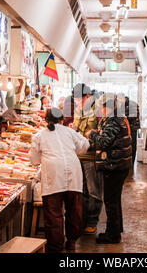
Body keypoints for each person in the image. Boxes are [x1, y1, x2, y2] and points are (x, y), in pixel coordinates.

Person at [30, 108, 90, 253]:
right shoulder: (69, 132)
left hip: (53, 174)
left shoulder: (39, 135)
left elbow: (34, 160)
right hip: (73, 171)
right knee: (74, 210)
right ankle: (71, 242)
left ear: (46, 121)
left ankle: (55, 247)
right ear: (62, 120)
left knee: (53, 213)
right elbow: (85, 145)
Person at [86, 93, 132, 244]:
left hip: (115, 165)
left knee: (111, 200)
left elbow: (104, 141)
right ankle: (115, 230)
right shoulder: (119, 117)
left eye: (102, 106)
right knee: (114, 199)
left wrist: (92, 134)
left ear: (109, 107)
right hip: (120, 164)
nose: (101, 109)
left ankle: (112, 235)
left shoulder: (113, 120)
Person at [72, 83, 102, 235]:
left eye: (78, 99)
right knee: (81, 190)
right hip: (78, 155)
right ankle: (82, 220)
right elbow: (77, 130)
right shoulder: (77, 110)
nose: (76, 101)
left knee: (93, 191)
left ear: (88, 97)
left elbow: (102, 135)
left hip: (91, 156)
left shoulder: (97, 111)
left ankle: (92, 221)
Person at [121, 96, 140, 166]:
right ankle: (129, 162)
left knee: (132, 145)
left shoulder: (132, 104)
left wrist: (124, 117)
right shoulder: (126, 105)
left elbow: (134, 115)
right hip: (130, 127)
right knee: (129, 145)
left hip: (133, 128)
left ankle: (131, 162)